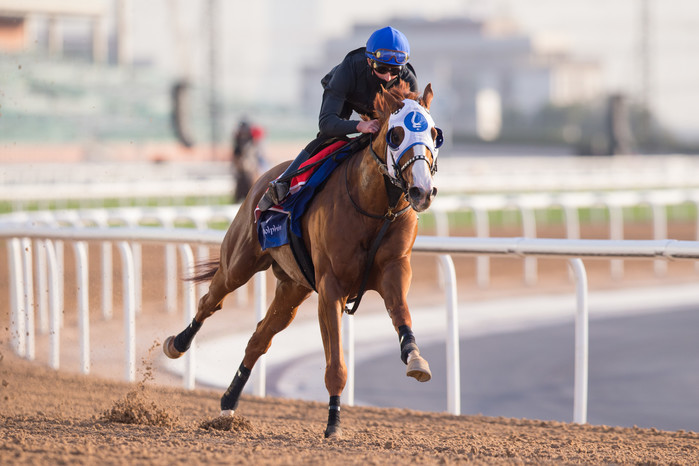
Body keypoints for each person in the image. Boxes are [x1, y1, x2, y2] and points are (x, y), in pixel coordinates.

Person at [258, 26, 418, 210]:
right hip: (350, 98)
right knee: (329, 138)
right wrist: (360, 126)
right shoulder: (349, 68)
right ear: (369, 61)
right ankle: (283, 183)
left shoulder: (408, 80)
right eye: (381, 68)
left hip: (383, 107)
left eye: (395, 70)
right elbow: (326, 123)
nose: (388, 77)